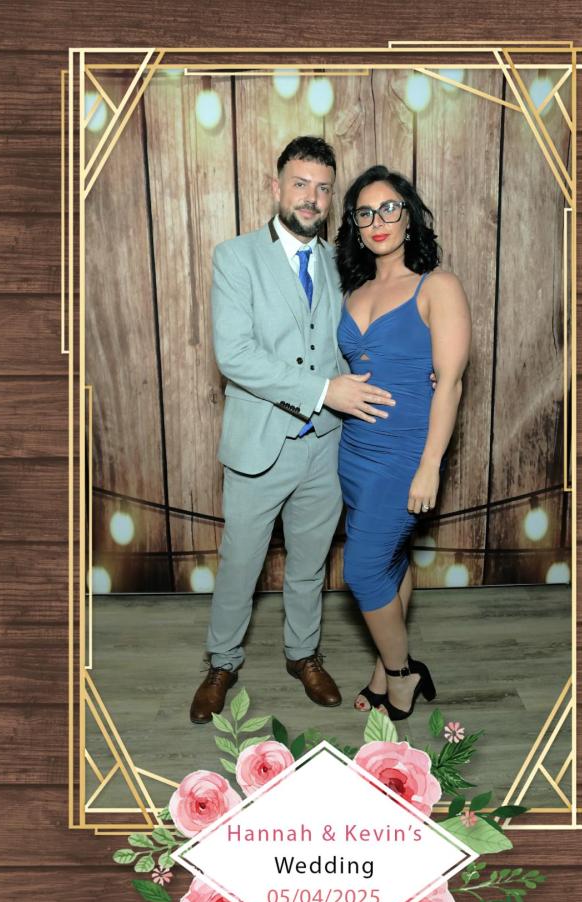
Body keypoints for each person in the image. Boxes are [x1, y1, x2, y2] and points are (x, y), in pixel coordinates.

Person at [190, 138, 396, 722]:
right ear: (276, 187)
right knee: (241, 564)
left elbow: (358, 339)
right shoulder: (235, 257)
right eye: (300, 184)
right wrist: (323, 390)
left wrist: (415, 368)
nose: (311, 197)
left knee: (310, 563)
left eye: (323, 188)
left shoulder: (340, 263)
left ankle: (303, 654)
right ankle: (222, 662)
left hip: (325, 446)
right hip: (259, 445)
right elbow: (235, 355)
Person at [335, 164, 472, 721]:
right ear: (356, 226)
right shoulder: (354, 290)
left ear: (409, 216)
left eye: (389, 208)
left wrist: (430, 464)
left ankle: (402, 675)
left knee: (362, 570)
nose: (378, 220)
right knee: (388, 560)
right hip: (354, 452)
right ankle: (383, 668)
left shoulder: (437, 286)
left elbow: (451, 381)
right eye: (365, 213)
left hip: (404, 453)